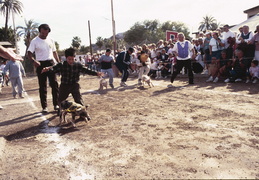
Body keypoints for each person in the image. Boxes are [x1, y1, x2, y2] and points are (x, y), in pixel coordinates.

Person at [41, 48, 102, 115]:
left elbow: (87, 70)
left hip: (74, 85)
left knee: (79, 100)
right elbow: (53, 69)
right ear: (66, 58)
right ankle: (60, 112)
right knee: (60, 100)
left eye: (72, 59)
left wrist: (96, 73)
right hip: (64, 86)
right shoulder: (62, 65)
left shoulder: (78, 65)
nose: (71, 61)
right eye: (69, 59)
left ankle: (83, 114)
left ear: (74, 58)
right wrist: (47, 69)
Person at [27, 24, 60, 113]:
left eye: (46, 33)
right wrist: (34, 61)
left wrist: (58, 62)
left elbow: (54, 52)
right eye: (43, 33)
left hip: (50, 63)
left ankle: (56, 104)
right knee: (43, 86)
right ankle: (44, 106)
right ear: (40, 31)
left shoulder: (51, 40)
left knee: (55, 84)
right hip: (40, 64)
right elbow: (29, 53)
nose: (44, 34)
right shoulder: (35, 41)